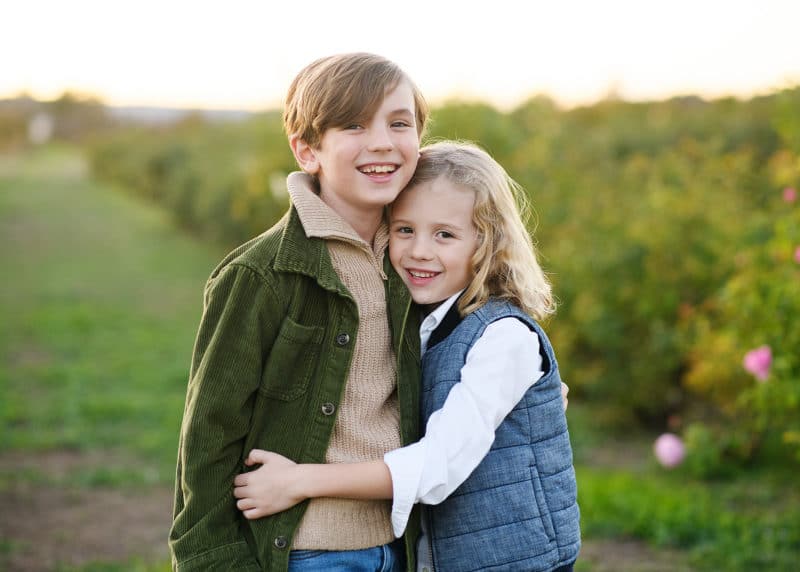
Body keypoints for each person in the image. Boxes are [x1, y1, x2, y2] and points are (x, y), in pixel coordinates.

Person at [233, 142, 581, 571]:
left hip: (517, 559)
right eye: (404, 230)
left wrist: (299, 481)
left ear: (488, 242)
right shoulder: (418, 323)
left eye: (445, 234)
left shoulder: (505, 336)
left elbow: (436, 465)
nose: (419, 251)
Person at [169, 53, 429, 571]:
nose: (382, 141)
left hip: (410, 543)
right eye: (354, 124)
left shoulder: (420, 258)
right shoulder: (261, 275)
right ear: (307, 149)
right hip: (308, 552)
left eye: (399, 123)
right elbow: (209, 437)